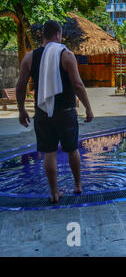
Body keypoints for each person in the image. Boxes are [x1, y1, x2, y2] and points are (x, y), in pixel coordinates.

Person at [15, 20, 94, 203]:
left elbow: (20, 87)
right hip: (66, 112)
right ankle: (77, 186)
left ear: (43, 35)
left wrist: (21, 110)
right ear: (58, 35)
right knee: (72, 149)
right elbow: (77, 85)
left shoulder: (30, 57)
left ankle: (54, 193)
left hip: (42, 112)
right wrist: (88, 108)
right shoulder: (66, 55)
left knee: (49, 153)